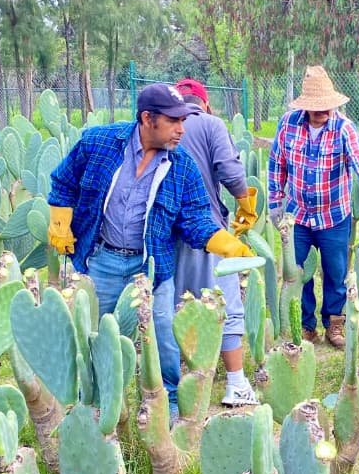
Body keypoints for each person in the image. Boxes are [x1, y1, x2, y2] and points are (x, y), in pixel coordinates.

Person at [47, 82, 253, 417]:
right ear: (147, 119)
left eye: (183, 121)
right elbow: (64, 180)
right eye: (173, 121)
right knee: (97, 337)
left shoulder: (181, 165)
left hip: (152, 267)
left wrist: (225, 243)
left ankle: (166, 405)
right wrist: (60, 217)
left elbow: (197, 217)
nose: (181, 129)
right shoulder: (99, 143)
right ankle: (95, 405)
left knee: (164, 342)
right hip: (102, 260)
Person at [268, 65, 359, 349]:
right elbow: (277, 163)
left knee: (336, 272)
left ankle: (335, 323)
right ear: (305, 106)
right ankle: (305, 325)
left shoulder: (343, 128)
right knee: (298, 272)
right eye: (316, 106)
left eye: (327, 106)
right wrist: (274, 202)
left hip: (334, 215)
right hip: (297, 216)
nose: (322, 111)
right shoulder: (288, 124)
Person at [171, 77, 258, 406]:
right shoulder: (210, 124)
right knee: (225, 304)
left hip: (166, 232)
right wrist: (246, 205)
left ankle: (177, 386)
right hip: (208, 231)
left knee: (176, 305)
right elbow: (230, 171)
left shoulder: (160, 123)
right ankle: (235, 383)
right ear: (204, 104)